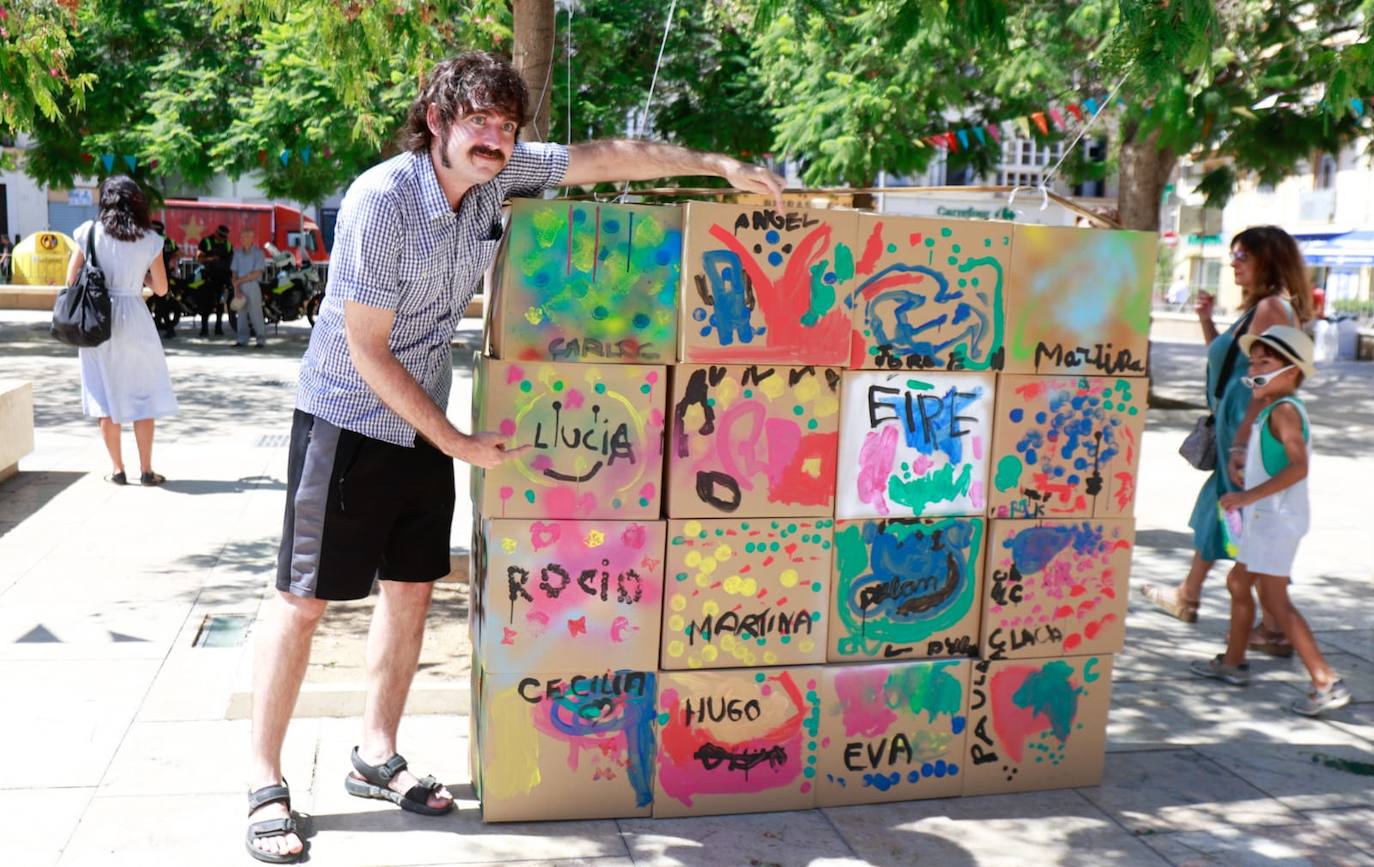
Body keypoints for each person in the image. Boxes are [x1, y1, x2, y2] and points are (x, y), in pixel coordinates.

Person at [244, 50, 786, 863]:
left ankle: (375, 753)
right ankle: (263, 781)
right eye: (477, 124)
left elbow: (608, 156)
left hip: (421, 418)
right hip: (348, 417)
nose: (494, 139)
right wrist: (458, 439)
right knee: (304, 598)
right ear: (436, 121)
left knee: (411, 590)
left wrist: (716, 167)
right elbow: (367, 349)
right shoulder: (381, 201)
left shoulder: (499, 175)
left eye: (505, 126)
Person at [1139, 226, 1313, 651]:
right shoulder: (1260, 309)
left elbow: (1265, 379)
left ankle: (1274, 625)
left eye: (1242, 255)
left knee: (1243, 518)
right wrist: (1205, 321)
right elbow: (1231, 359)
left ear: (1266, 261)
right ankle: (1191, 596)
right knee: (1224, 510)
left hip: (1245, 425)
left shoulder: (1272, 308)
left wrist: (1241, 441)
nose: (1233, 262)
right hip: (1236, 422)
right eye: (1233, 254)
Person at [1189, 325, 1351, 716]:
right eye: (1254, 362)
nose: (1256, 369)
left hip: (1276, 522)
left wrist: (1247, 495)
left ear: (1292, 371)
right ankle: (1233, 662)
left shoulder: (1284, 412)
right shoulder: (1270, 407)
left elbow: (1299, 468)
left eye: (1266, 362)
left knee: (1277, 604)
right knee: (1238, 581)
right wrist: (1245, 460)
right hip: (1265, 518)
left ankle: (1325, 679)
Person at [64, 176, 177, 486]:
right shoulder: (149, 239)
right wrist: (137, 280)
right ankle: (146, 470)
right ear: (137, 202)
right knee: (143, 397)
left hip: (97, 320)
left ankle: (117, 469)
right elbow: (162, 288)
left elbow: (70, 278)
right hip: (136, 318)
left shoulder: (88, 233)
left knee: (103, 394)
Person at [231, 227, 268, 348]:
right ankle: (242, 339)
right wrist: (236, 288)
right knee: (241, 313)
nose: (241, 239)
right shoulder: (237, 253)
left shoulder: (258, 253)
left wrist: (239, 281)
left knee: (256, 313)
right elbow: (234, 271)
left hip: (252, 285)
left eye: (244, 237)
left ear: (251, 238)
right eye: (241, 237)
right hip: (240, 285)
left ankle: (260, 340)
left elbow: (257, 272)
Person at [196, 224, 234, 336]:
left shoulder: (228, 244)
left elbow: (232, 260)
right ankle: (204, 329)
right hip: (208, 278)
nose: (222, 239)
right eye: (220, 236)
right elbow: (199, 258)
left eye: (224, 237)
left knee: (221, 305)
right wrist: (211, 259)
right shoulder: (206, 242)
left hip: (222, 279)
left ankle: (218, 328)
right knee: (206, 304)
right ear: (216, 232)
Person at [147, 220, 180, 338]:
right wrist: (172, 260)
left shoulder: (152, 240)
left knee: (161, 303)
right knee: (161, 301)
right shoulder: (167, 240)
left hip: (153, 275)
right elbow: (177, 252)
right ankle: (160, 326)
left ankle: (168, 328)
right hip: (166, 275)